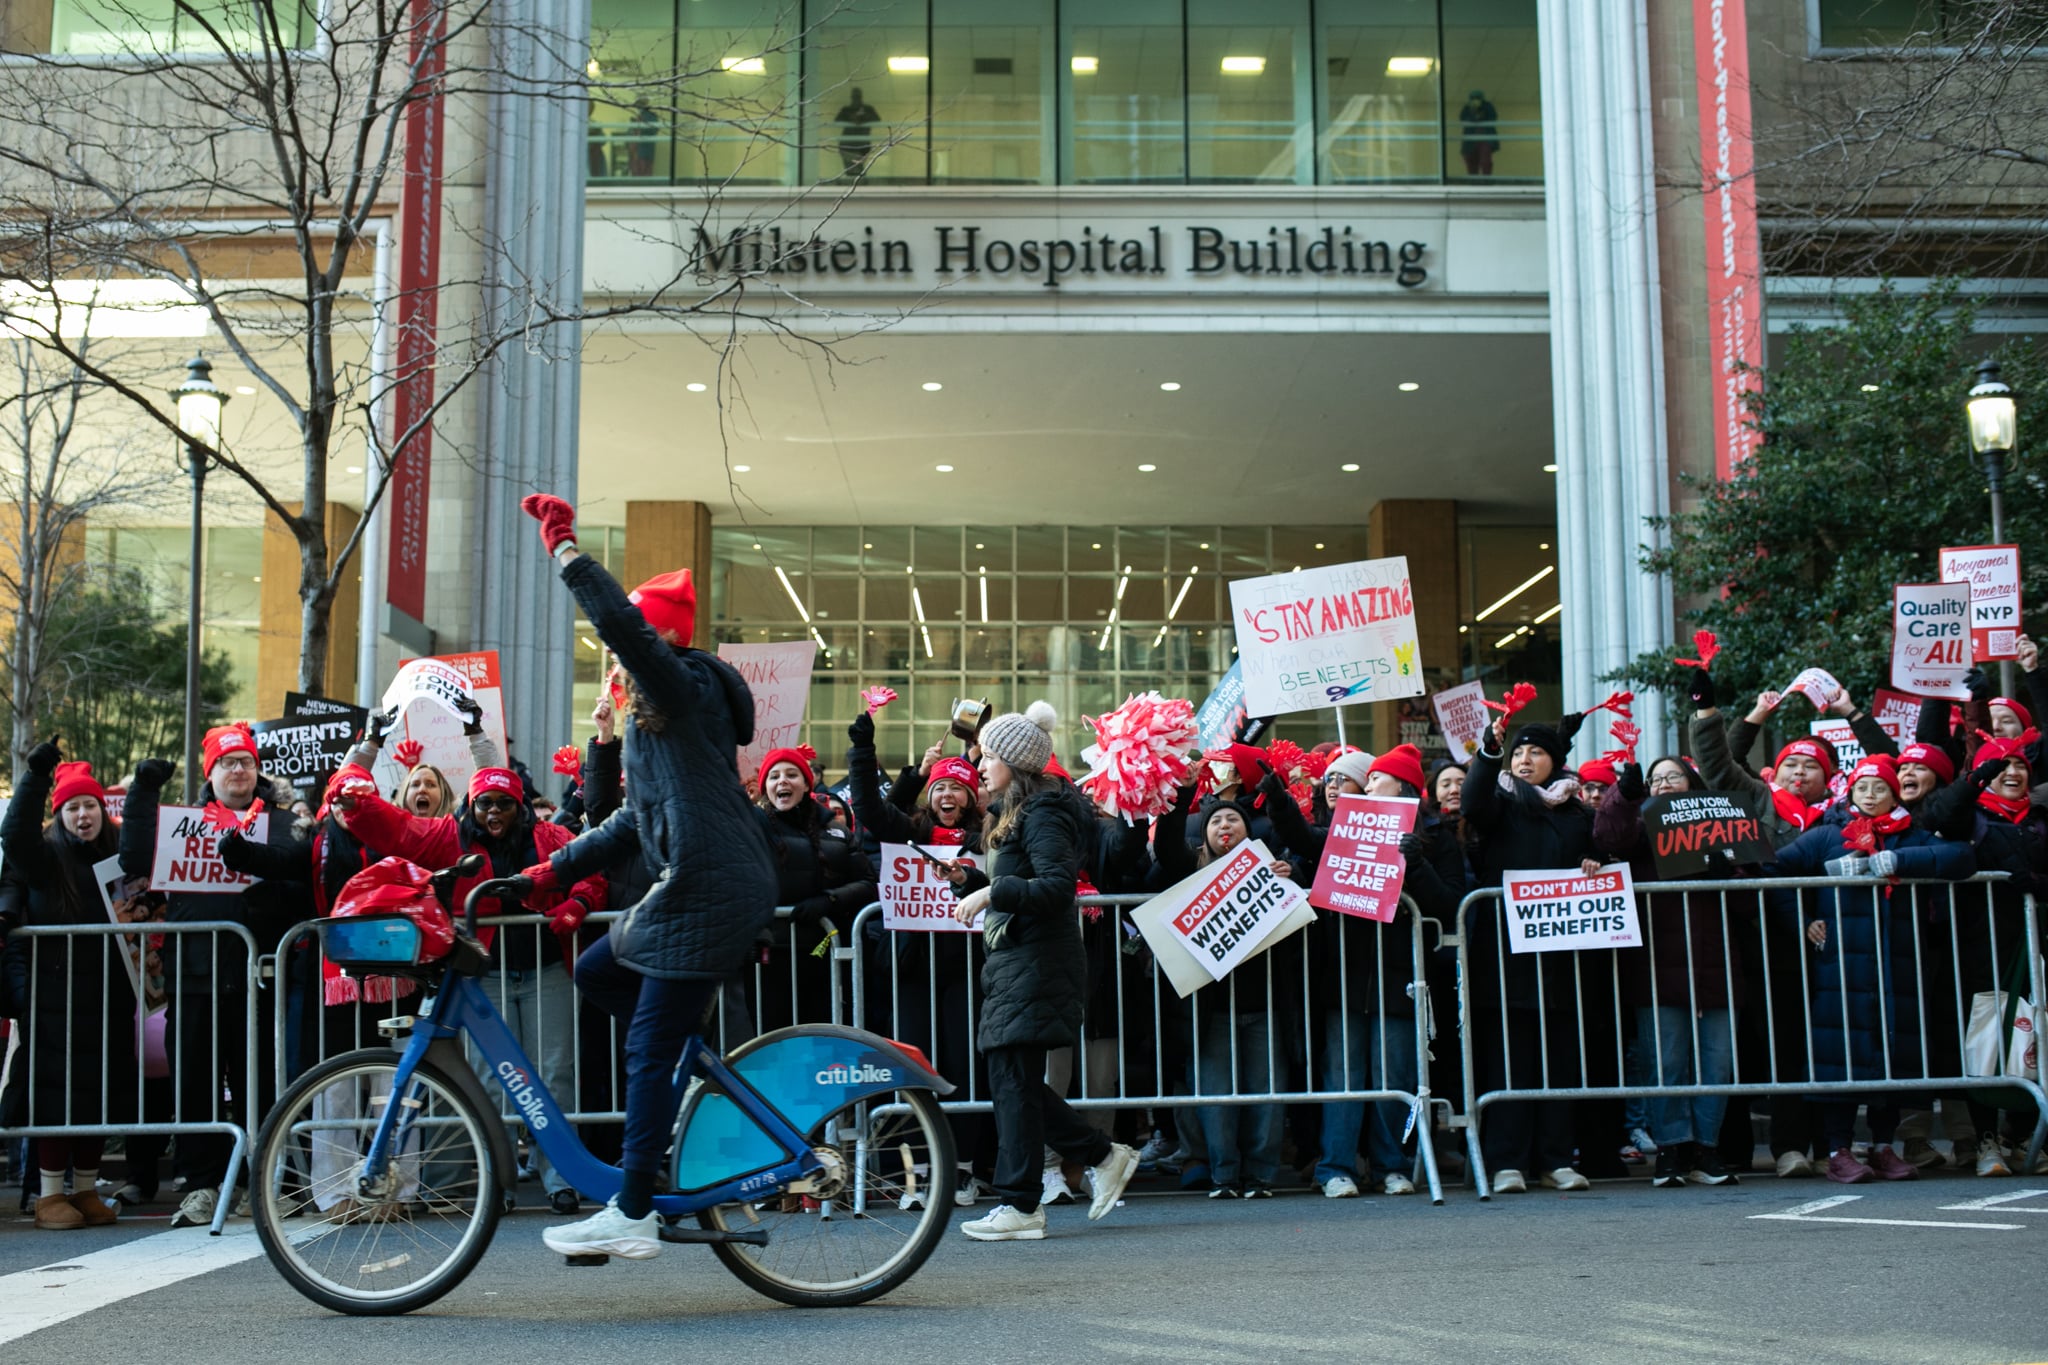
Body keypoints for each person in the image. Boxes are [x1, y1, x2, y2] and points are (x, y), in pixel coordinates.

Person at [513, 492, 778, 1261]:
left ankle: (633, 1210)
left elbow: (624, 630)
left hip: (709, 884)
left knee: (647, 1045)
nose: (617, 652)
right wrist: (549, 870)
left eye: (636, 632)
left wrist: (568, 553)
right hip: (697, 882)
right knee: (599, 972)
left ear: (660, 635)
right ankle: (685, 1070)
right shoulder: (649, 720)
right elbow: (633, 820)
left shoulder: (684, 685)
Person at [331, 763, 606, 1214]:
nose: (494, 812)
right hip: (487, 978)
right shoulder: (449, 837)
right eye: (485, 803)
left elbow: (591, 869)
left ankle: (561, 1178)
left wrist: (580, 901)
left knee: (555, 1075)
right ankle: (496, 1182)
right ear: (471, 806)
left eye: (505, 804)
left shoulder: (551, 838)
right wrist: (356, 803)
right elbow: (400, 831)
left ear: (521, 807)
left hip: (548, 971)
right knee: (489, 1084)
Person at [946, 711, 1138, 1240]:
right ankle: (1100, 1158)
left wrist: (992, 891)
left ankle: (1022, 1204)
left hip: (1037, 961)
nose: (979, 765)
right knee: (1016, 1083)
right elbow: (1021, 882)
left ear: (1015, 763)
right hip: (1018, 961)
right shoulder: (1016, 810)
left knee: (1014, 1084)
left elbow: (1055, 887)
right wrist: (970, 879)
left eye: (988, 756)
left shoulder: (1045, 809)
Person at [119, 725, 308, 1229]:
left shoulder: (283, 820)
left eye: (246, 761)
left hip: (260, 973)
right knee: (195, 1083)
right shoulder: (183, 823)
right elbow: (133, 858)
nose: (239, 770)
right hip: (195, 973)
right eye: (228, 763)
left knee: (262, 1082)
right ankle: (202, 1185)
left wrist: (250, 858)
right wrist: (143, 791)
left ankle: (267, 1180)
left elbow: (297, 864)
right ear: (211, 772)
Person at [1769, 755, 1976, 1183]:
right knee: (1838, 1058)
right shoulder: (1827, 835)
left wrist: (1905, 862)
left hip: (1895, 968)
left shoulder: (1910, 836)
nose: (1870, 796)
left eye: (1879, 788)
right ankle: (1837, 1148)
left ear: (1892, 793)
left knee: (1891, 1057)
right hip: (1840, 970)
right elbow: (1774, 870)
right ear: (1851, 793)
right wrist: (1804, 920)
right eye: (1863, 788)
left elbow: (1962, 858)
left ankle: (1884, 1146)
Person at [1593, 755, 1752, 1189]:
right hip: (1656, 965)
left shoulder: (1722, 829)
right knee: (1665, 1062)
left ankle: (1707, 1148)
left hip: (1716, 965)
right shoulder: (1640, 829)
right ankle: (1670, 1149)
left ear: (1692, 784)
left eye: (1673, 776)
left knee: (1717, 1062)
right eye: (1656, 779)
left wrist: (1728, 874)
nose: (1664, 784)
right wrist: (1623, 794)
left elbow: (1747, 902)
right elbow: (1609, 835)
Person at [1460, 711, 1597, 1194]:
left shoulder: (1579, 814)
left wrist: (1594, 866)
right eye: (1518, 752)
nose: (1524, 759)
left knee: (1558, 1059)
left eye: (1535, 752)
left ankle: (1555, 1159)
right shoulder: (1501, 803)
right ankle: (1506, 1161)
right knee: (1509, 1060)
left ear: (1555, 762)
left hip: (1561, 961)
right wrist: (1488, 751)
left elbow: (1602, 855)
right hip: (1506, 960)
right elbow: (1472, 801)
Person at [0, 746, 133, 1229]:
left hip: (107, 997)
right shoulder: (41, 860)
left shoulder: (116, 860)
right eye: (74, 807)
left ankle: (85, 1188)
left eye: (91, 806)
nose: (83, 815)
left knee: (99, 1090)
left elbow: (144, 848)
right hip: (53, 999)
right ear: (59, 815)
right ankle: (50, 1193)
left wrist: (145, 792)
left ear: (103, 811)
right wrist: (36, 776)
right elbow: (13, 834)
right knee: (55, 1094)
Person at [751, 744, 876, 1031]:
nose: (782, 781)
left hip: (823, 953)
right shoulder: (751, 827)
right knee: (773, 1040)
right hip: (770, 956)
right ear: (765, 788)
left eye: (791, 774)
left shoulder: (837, 830)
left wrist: (829, 900)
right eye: (774, 776)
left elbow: (867, 884)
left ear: (807, 783)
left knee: (821, 1040)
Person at [835, 87, 880, 178]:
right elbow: (837, 121)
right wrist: (850, 118)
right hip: (847, 145)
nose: (856, 99)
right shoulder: (846, 110)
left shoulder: (867, 109)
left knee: (857, 168)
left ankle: (858, 184)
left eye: (857, 97)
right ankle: (854, 184)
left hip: (862, 144)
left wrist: (864, 117)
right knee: (850, 168)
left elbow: (876, 119)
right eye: (854, 97)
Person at [1458, 89, 1499, 177]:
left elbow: (1493, 117)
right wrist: (1473, 115)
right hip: (1470, 140)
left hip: (1485, 138)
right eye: (1473, 99)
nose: (1475, 101)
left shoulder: (1488, 106)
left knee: (1485, 161)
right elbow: (1463, 119)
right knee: (1471, 161)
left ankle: (1487, 181)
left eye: (1477, 98)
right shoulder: (1467, 108)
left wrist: (1481, 114)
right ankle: (1473, 182)